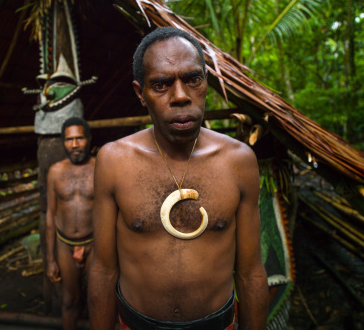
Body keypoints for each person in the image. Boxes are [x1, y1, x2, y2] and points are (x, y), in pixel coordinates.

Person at [88, 27, 268, 330]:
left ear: (206, 83)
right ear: (140, 93)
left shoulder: (239, 161)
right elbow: (103, 270)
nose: (181, 96)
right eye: (161, 84)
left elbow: (250, 272)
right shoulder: (113, 161)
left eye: (193, 79)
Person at [46, 117, 96, 330]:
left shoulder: (100, 167)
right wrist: (50, 259)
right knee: (69, 301)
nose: (74, 145)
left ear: (88, 139)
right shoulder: (55, 172)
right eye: (69, 140)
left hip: (94, 244)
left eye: (79, 139)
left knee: (98, 301)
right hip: (65, 245)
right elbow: (50, 214)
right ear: (63, 142)